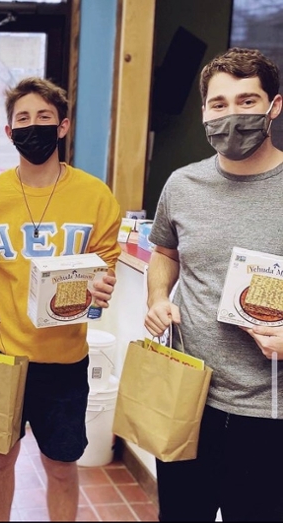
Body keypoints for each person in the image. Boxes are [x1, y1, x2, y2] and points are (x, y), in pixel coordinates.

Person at [0, 76, 121, 521]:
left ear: (63, 126)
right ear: (9, 133)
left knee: (63, 467)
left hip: (65, 359)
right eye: (22, 119)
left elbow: (106, 268)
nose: (34, 126)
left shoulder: (96, 196)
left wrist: (103, 286)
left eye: (44, 117)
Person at [144, 47, 283, 521]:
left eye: (247, 102)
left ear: (274, 106)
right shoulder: (182, 185)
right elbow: (164, 252)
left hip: (269, 409)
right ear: (204, 111)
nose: (232, 115)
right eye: (219, 104)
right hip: (187, 395)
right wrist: (157, 297)